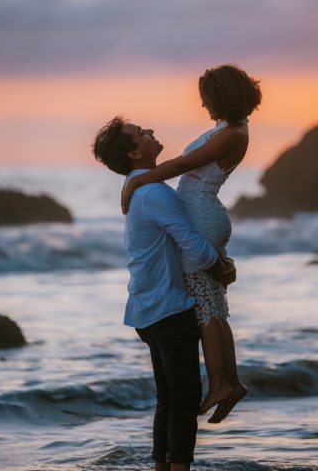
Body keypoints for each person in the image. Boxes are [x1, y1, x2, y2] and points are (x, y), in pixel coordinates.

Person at [92, 117, 236, 471]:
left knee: (169, 399)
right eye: (141, 133)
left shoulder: (137, 187)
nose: (151, 132)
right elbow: (194, 247)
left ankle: (161, 466)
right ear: (135, 152)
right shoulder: (153, 193)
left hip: (147, 307)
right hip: (168, 309)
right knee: (184, 401)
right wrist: (222, 267)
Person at [121, 64, 262, 424]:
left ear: (223, 97)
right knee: (214, 302)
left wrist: (134, 183)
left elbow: (184, 163)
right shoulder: (230, 128)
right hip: (205, 213)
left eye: (207, 100)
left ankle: (220, 383)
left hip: (202, 213)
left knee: (205, 306)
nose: (204, 107)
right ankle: (229, 381)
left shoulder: (232, 133)